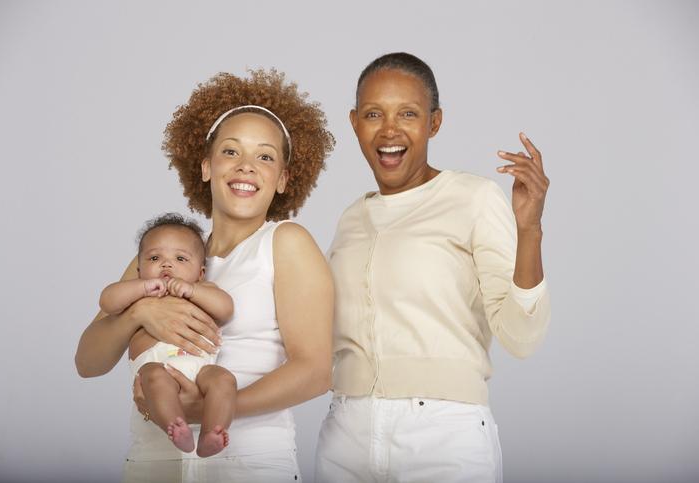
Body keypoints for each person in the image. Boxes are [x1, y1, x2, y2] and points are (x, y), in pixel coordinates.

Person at [76, 69, 335, 482]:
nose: (247, 167)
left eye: (265, 156)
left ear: (284, 178)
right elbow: (87, 362)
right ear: (205, 167)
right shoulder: (167, 253)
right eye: (231, 151)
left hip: (248, 463)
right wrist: (138, 315)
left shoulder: (286, 242)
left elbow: (316, 372)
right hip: (152, 459)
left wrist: (208, 411)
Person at [314, 52, 551, 482]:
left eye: (408, 113)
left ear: (434, 123)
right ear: (354, 123)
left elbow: (521, 337)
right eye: (373, 114)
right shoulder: (351, 218)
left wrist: (529, 229)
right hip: (345, 433)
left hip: (443, 434)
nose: (389, 129)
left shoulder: (472, 198)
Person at [99, 213, 235, 457]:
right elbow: (107, 300)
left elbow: (226, 308)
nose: (167, 264)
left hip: (200, 366)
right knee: (155, 379)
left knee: (224, 380)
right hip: (155, 363)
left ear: (201, 272)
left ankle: (210, 433)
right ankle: (175, 426)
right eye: (155, 257)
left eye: (180, 258)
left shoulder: (202, 289)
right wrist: (140, 288)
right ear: (139, 269)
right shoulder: (139, 293)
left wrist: (192, 290)